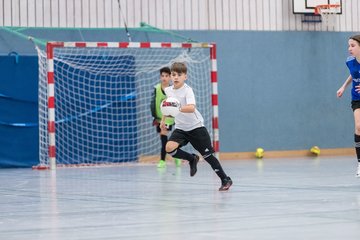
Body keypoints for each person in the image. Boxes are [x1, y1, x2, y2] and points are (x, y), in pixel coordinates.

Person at [161, 62, 233, 191]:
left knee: (208, 156)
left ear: (185, 77)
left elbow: (191, 108)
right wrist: (163, 120)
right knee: (169, 148)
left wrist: (177, 108)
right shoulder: (168, 90)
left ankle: (225, 179)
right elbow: (167, 106)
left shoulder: (188, 90)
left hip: (196, 127)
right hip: (181, 128)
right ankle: (192, 158)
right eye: (173, 75)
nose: (175, 77)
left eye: (179, 75)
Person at [337, 34, 360, 177]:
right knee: (358, 126)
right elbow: (353, 74)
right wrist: (343, 87)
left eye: (353, 45)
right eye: (349, 45)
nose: (349, 48)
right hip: (357, 98)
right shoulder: (350, 61)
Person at [151, 67, 181, 168]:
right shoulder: (156, 88)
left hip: (169, 118)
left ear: (170, 77)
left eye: (166, 76)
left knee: (164, 137)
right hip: (159, 118)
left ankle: (162, 161)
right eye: (162, 76)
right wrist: (155, 116)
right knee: (164, 139)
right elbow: (153, 103)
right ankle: (175, 156)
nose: (164, 78)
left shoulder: (173, 90)